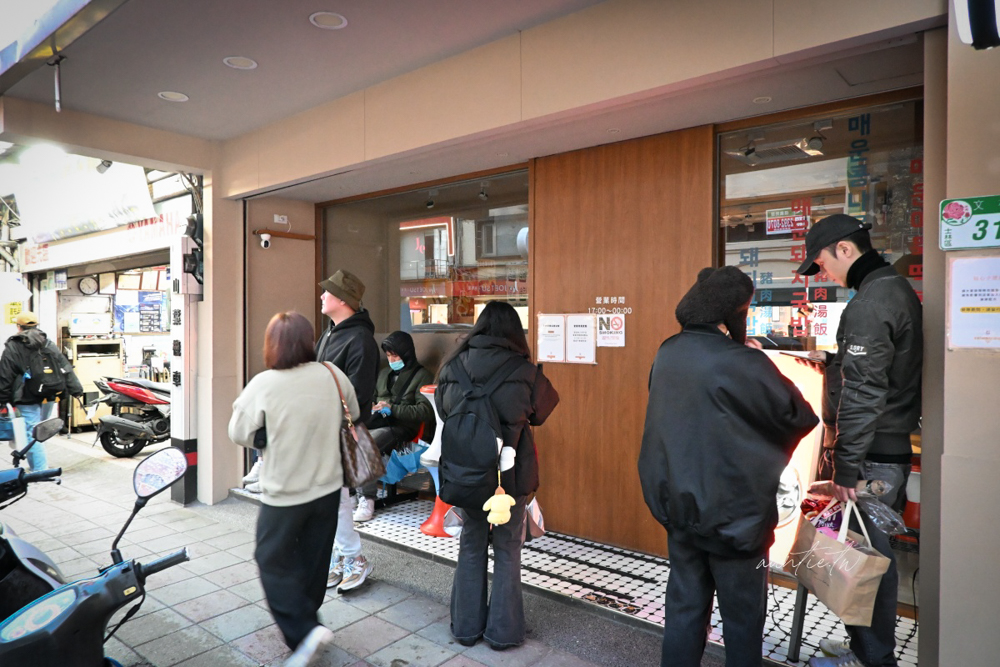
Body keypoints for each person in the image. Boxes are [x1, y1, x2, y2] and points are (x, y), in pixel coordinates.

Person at [638, 266, 818, 667]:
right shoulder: (743, 361)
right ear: (735, 312)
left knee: (684, 611)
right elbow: (800, 417)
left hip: (680, 511)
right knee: (742, 621)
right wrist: (754, 357)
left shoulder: (668, 351)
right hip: (738, 521)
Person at [793, 215, 922, 667]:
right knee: (864, 555)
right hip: (882, 450)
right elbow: (873, 373)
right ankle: (867, 648)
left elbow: (866, 393)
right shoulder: (891, 289)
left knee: (868, 560)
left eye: (823, 262)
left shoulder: (872, 301)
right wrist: (828, 361)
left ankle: (873, 657)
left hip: (872, 457)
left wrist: (846, 467)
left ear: (845, 250)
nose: (825, 273)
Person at [228, 311, 357, 667]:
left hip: (285, 493)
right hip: (329, 487)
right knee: (314, 558)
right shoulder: (333, 374)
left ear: (272, 345)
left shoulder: (265, 383)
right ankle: (309, 622)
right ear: (308, 341)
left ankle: (304, 631)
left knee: (271, 558)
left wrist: (266, 435)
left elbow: (238, 432)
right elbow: (355, 412)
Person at [435, 301, 559, 650]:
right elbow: (543, 412)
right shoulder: (525, 371)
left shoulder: (453, 365)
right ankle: (503, 633)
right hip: (510, 480)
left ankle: (465, 627)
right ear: (514, 333)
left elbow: (445, 411)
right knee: (507, 548)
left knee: (471, 543)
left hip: (466, 474)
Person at [315, 269, 380, 592]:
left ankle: (352, 558)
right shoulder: (329, 334)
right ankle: (345, 556)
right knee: (333, 500)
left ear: (343, 300)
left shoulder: (361, 341)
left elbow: (358, 395)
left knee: (337, 499)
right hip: (323, 431)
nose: (322, 296)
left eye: (328, 292)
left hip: (340, 433)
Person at [353, 330, 435, 522]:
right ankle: (350, 492)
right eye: (389, 355)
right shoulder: (384, 374)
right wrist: (373, 407)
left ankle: (367, 498)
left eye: (395, 355)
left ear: (406, 354)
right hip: (378, 421)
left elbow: (425, 412)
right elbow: (372, 398)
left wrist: (393, 409)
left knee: (367, 444)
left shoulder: (422, 375)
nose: (391, 359)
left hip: (402, 427)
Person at [0, 311, 83, 470]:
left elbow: (5, 374)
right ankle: (37, 463)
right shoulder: (47, 342)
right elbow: (65, 367)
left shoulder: (14, 346)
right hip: (49, 395)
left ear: (18, 327)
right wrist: (76, 389)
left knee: (31, 432)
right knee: (39, 431)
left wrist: (3, 398)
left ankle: (40, 469)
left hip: (27, 396)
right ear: (36, 326)